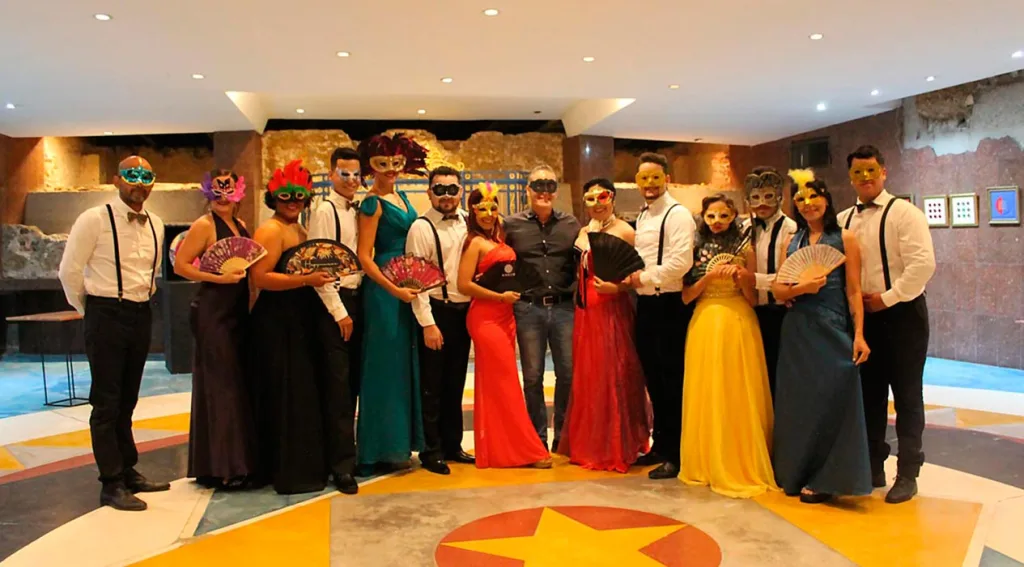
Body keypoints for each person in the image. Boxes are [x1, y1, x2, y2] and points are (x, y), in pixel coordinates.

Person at [58, 156, 170, 511]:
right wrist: (89, 309)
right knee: (106, 401)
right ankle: (111, 483)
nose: (139, 182)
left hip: (140, 312)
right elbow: (69, 272)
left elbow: (151, 272)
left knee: (128, 399)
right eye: (131, 175)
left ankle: (128, 469)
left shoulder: (157, 223)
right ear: (116, 179)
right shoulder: (93, 219)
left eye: (146, 176)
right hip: (105, 312)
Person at [838, 145, 936, 504]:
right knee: (869, 394)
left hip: (903, 314)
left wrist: (887, 298)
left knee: (907, 395)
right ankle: (873, 465)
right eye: (858, 172)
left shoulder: (906, 214)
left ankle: (908, 472)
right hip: (862, 320)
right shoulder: (843, 219)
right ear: (850, 177)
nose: (865, 177)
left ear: (884, 172)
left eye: (871, 170)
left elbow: (922, 266)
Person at [771, 171, 873, 503]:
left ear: (826, 199)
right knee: (800, 404)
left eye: (814, 196)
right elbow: (779, 289)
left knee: (835, 399)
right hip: (797, 331)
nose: (808, 204)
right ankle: (796, 472)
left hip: (833, 329)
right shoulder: (792, 241)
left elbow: (854, 290)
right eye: (800, 199)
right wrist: (802, 288)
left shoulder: (845, 239)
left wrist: (859, 335)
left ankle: (829, 479)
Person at [249, 159, 346, 495]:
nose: (293, 202)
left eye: (299, 196)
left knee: (301, 392)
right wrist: (306, 280)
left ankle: (304, 465)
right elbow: (260, 278)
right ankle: (287, 470)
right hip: (277, 320)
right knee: (287, 392)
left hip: (299, 317)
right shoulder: (271, 230)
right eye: (286, 196)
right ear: (273, 198)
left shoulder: (300, 229)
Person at [679, 194, 776, 498]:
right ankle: (706, 460)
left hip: (739, 322)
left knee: (737, 390)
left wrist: (743, 277)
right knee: (707, 390)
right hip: (704, 322)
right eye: (711, 216)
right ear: (703, 217)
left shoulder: (746, 249)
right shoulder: (694, 248)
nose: (717, 222)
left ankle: (740, 459)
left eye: (723, 215)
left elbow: (753, 298)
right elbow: (686, 296)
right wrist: (708, 278)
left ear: (734, 216)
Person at [557, 178, 650, 473]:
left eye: (603, 197)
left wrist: (617, 288)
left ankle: (616, 444)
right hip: (586, 311)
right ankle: (590, 441)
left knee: (614, 372)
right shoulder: (584, 232)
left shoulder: (625, 231)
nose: (597, 204)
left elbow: (639, 274)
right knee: (589, 374)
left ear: (613, 198)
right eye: (590, 198)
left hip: (612, 307)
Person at [173, 169, 257, 490]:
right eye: (216, 191)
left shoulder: (242, 225)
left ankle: (233, 462)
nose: (223, 197)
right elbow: (181, 265)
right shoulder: (204, 225)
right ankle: (225, 467)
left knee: (236, 384)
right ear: (208, 192)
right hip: (212, 312)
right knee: (221, 387)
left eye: (228, 190)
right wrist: (217, 278)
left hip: (237, 312)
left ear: (239, 192)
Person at [457, 186, 552, 469]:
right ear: (473, 212)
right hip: (486, 319)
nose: (488, 214)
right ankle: (524, 450)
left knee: (499, 384)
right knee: (505, 383)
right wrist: (499, 297)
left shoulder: (499, 238)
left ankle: (501, 449)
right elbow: (463, 285)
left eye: (493, 208)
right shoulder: (474, 242)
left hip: (506, 317)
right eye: (482, 209)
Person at [355, 133, 427, 473]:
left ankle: (399, 444)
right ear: (370, 166)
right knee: (383, 367)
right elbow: (364, 256)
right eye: (382, 164)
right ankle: (375, 450)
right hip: (384, 290)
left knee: (402, 366)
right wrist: (392, 289)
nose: (390, 170)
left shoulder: (402, 196)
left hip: (406, 284)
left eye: (396, 163)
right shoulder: (371, 203)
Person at [623, 152, 696, 480]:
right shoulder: (643, 216)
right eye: (643, 179)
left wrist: (644, 277)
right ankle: (662, 446)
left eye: (655, 177)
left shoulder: (678, 214)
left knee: (672, 382)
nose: (649, 184)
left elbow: (681, 263)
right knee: (653, 380)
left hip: (670, 305)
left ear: (667, 179)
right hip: (647, 306)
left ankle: (678, 455)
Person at [504, 165, 581, 451]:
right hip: (528, 308)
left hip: (564, 308)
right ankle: (537, 438)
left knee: (568, 374)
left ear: (556, 191)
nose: (544, 192)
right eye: (538, 185)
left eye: (549, 185)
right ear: (528, 190)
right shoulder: (511, 225)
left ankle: (562, 435)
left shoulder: (571, 224)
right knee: (532, 376)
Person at [405, 166, 474, 475]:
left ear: (460, 192)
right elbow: (415, 279)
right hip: (437, 311)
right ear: (429, 192)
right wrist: (427, 323)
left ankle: (452, 444)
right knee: (432, 385)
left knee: (456, 381)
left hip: (464, 312)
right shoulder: (421, 228)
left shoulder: (469, 222)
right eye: (440, 189)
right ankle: (431, 450)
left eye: (452, 189)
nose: (446, 195)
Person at [306, 147, 363, 489]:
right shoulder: (325, 211)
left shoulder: (358, 208)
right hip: (335, 304)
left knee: (352, 384)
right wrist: (339, 311)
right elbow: (318, 264)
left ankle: (350, 454)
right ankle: (340, 465)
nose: (352, 180)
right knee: (338, 388)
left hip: (358, 299)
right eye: (345, 174)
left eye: (356, 174)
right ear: (331, 175)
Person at [743, 166, 798, 400]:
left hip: (782, 312)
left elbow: (790, 275)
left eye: (768, 196)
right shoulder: (744, 229)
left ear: (779, 196)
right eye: (755, 197)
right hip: (751, 312)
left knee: (781, 373)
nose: (762, 203)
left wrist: (753, 279)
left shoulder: (791, 229)